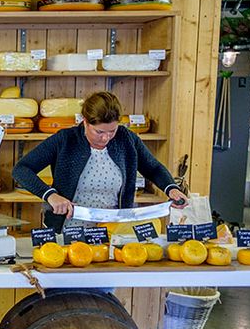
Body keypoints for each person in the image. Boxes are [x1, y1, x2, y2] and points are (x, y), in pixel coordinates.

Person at [12, 91, 188, 232]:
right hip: (68, 229)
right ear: (86, 122)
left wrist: (171, 188)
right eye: (99, 132)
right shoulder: (65, 140)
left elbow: (153, 167)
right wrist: (51, 195)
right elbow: (21, 169)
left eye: (111, 131)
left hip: (115, 229)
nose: (106, 138)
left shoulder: (126, 139)